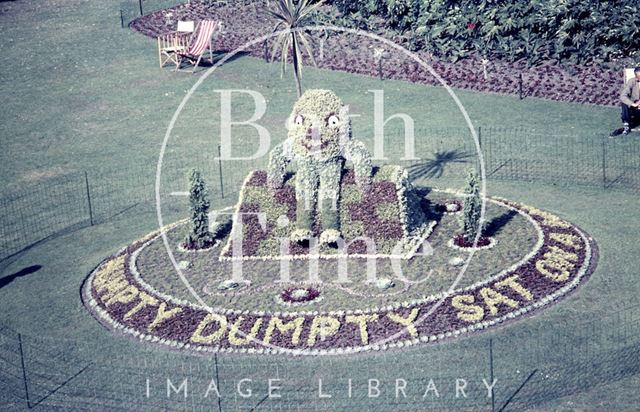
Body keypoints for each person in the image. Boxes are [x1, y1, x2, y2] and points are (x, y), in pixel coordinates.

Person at [619, 66, 640, 136]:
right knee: (624, 103)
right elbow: (622, 96)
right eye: (638, 76)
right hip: (635, 107)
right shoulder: (632, 81)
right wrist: (633, 104)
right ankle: (626, 125)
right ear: (636, 76)